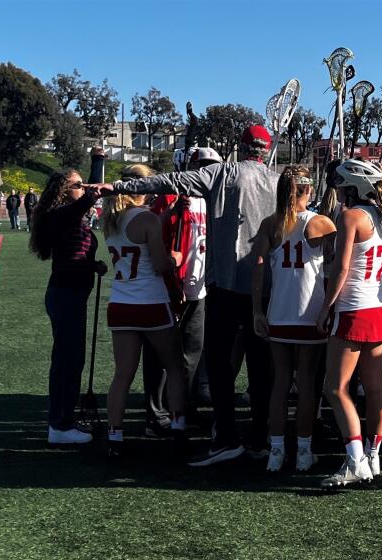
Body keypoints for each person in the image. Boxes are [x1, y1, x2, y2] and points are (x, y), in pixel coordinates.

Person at [94, 125, 277, 466]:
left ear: (240, 145)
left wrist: (119, 186)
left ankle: (225, 437)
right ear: (265, 149)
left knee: (220, 364)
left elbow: (168, 182)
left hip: (223, 284)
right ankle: (260, 437)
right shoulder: (277, 180)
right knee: (261, 367)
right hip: (265, 285)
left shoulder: (223, 173)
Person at [315, 159, 382, 488]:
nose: (337, 189)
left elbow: (341, 269)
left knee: (335, 388)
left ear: (352, 186)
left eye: (341, 184)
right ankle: (372, 455)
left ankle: (355, 460)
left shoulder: (351, 216)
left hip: (355, 308)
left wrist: (325, 308)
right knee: (374, 388)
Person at [251, 165, 336, 473]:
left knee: (280, 383)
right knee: (308, 384)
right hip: (310, 313)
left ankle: (276, 450)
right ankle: (303, 450)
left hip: (279, 312)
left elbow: (258, 266)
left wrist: (257, 310)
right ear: (307, 189)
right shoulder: (320, 222)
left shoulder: (271, 224)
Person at [102, 165, 188, 457]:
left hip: (121, 304)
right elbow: (161, 263)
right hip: (151, 302)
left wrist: (165, 214)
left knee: (122, 375)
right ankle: (178, 426)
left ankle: (115, 435)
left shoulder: (111, 219)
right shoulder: (147, 219)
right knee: (174, 366)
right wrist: (176, 258)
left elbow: (136, 237)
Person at [140, 147, 220, 436]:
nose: (207, 170)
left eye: (212, 165)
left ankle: (183, 409)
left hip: (199, 289)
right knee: (161, 354)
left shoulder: (215, 200)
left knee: (191, 354)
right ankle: (155, 411)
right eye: (203, 165)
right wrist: (172, 280)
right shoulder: (173, 197)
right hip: (170, 287)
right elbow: (157, 241)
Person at [29, 155, 106, 445]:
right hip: (66, 296)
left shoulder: (68, 216)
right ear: (64, 190)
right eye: (77, 184)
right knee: (67, 362)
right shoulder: (62, 214)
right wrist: (96, 174)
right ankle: (60, 425)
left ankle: (63, 420)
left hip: (71, 294)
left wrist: (92, 265)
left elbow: (74, 256)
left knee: (71, 360)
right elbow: (84, 204)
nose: (83, 187)